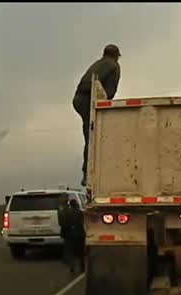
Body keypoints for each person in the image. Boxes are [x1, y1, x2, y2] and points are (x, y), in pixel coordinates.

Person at [73, 44, 122, 186]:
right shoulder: (113, 66)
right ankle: (88, 173)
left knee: (90, 135)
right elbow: (109, 93)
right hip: (89, 99)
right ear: (116, 55)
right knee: (93, 137)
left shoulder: (98, 63)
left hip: (78, 99)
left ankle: (87, 173)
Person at [62, 199, 86, 274]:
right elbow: (84, 223)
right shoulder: (80, 213)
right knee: (80, 251)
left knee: (71, 251)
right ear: (76, 204)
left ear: (70, 205)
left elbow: (64, 224)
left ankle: (72, 266)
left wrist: (63, 234)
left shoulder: (66, 213)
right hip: (80, 234)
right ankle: (82, 266)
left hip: (70, 235)